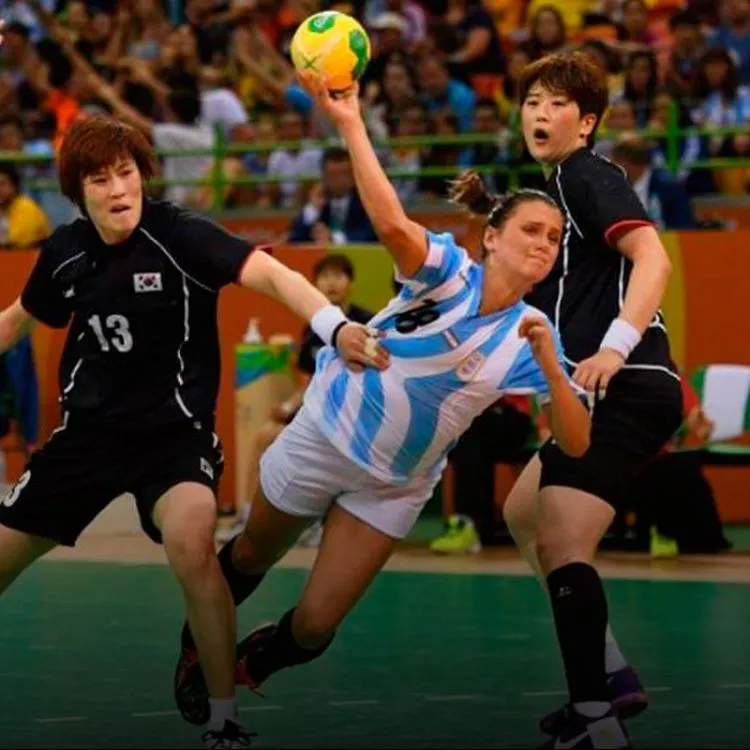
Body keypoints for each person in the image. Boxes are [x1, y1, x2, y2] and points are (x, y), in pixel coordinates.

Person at [172, 75, 593, 734]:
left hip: (394, 484)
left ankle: (257, 657)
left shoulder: (533, 335)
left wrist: (549, 366)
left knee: (314, 626)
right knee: (251, 554)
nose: (545, 244)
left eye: (555, 239)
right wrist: (350, 123)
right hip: (326, 432)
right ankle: (196, 645)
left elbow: (575, 444)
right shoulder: (449, 269)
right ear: (492, 237)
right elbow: (392, 220)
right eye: (533, 230)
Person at [0, 114, 388, 750]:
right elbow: (15, 323)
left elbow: (274, 275)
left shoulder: (178, 236)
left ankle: (223, 719)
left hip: (172, 440)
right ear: (79, 191)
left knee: (192, 541)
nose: (119, 188)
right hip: (86, 442)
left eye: (127, 173)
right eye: (101, 179)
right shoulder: (66, 252)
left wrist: (335, 326)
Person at [500, 51, 683, 749]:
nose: (541, 115)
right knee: (524, 512)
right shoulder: (551, 204)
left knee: (562, 540)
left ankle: (595, 722)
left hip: (626, 383)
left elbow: (655, 259)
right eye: (531, 103)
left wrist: (616, 344)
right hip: (596, 388)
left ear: (588, 122)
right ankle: (609, 675)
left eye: (556, 104)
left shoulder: (588, 174)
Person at [218, 253, 374, 545]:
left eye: (338, 276)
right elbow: (306, 382)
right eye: (325, 277)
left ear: (350, 283)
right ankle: (248, 518)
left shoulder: (366, 321)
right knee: (265, 437)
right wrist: (289, 405)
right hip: (314, 411)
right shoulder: (313, 327)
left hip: (352, 414)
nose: (331, 283)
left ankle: (314, 521)